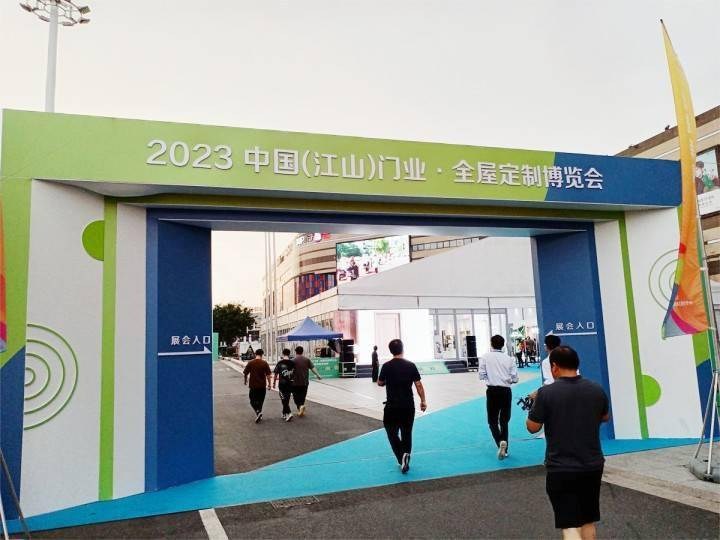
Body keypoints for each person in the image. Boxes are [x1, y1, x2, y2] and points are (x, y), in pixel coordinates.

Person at [526, 346, 610, 540]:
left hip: (561, 466)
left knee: (570, 524)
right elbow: (605, 416)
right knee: (588, 520)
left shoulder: (546, 393)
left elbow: (532, 427)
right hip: (592, 464)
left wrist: (535, 405)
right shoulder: (596, 389)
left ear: (554, 367)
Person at [378, 339, 427, 473]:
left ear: (391, 351)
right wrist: (423, 401)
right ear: (403, 349)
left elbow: (380, 383)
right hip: (408, 405)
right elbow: (418, 385)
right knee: (407, 432)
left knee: (391, 431)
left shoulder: (386, 366)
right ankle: (405, 454)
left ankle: (401, 457)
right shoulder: (411, 365)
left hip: (392, 406)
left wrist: (387, 381)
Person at [478, 334, 519, 460]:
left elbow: (481, 375)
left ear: (491, 344)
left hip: (492, 391)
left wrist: (491, 377)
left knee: (492, 421)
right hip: (506, 391)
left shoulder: (485, 357)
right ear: (503, 345)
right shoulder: (510, 359)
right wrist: (506, 379)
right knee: (504, 420)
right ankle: (505, 449)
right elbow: (515, 378)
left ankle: (500, 442)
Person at [292, 345, 322, 416]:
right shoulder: (307, 359)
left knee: (296, 396)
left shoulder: (293, 360)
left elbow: (289, 371)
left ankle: (300, 407)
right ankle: (301, 408)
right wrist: (318, 375)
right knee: (303, 396)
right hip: (305, 382)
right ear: (302, 352)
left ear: (296, 352)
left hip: (295, 382)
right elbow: (312, 368)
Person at [243, 349, 272, 423]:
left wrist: (245, 381)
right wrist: (269, 384)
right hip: (262, 386)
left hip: (253, 386)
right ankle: (259, 413)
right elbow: (268, 375)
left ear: (255, 354)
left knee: (252, 400)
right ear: (262, 354)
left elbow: (245, 373)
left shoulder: (251, 362)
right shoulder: (264, 363)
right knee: (260, 401)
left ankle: (258, 412)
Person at [273, 348, 295, 422]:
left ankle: (289, 413)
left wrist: (274, 383)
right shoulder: (292, 363)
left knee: (283, 399)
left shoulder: (280, 362)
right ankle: (284, 413)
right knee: (286, 399)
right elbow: (295, 373)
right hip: (290, 384)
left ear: (283, 353)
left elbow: (276, 373)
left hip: (282, 384)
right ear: (289, 354)